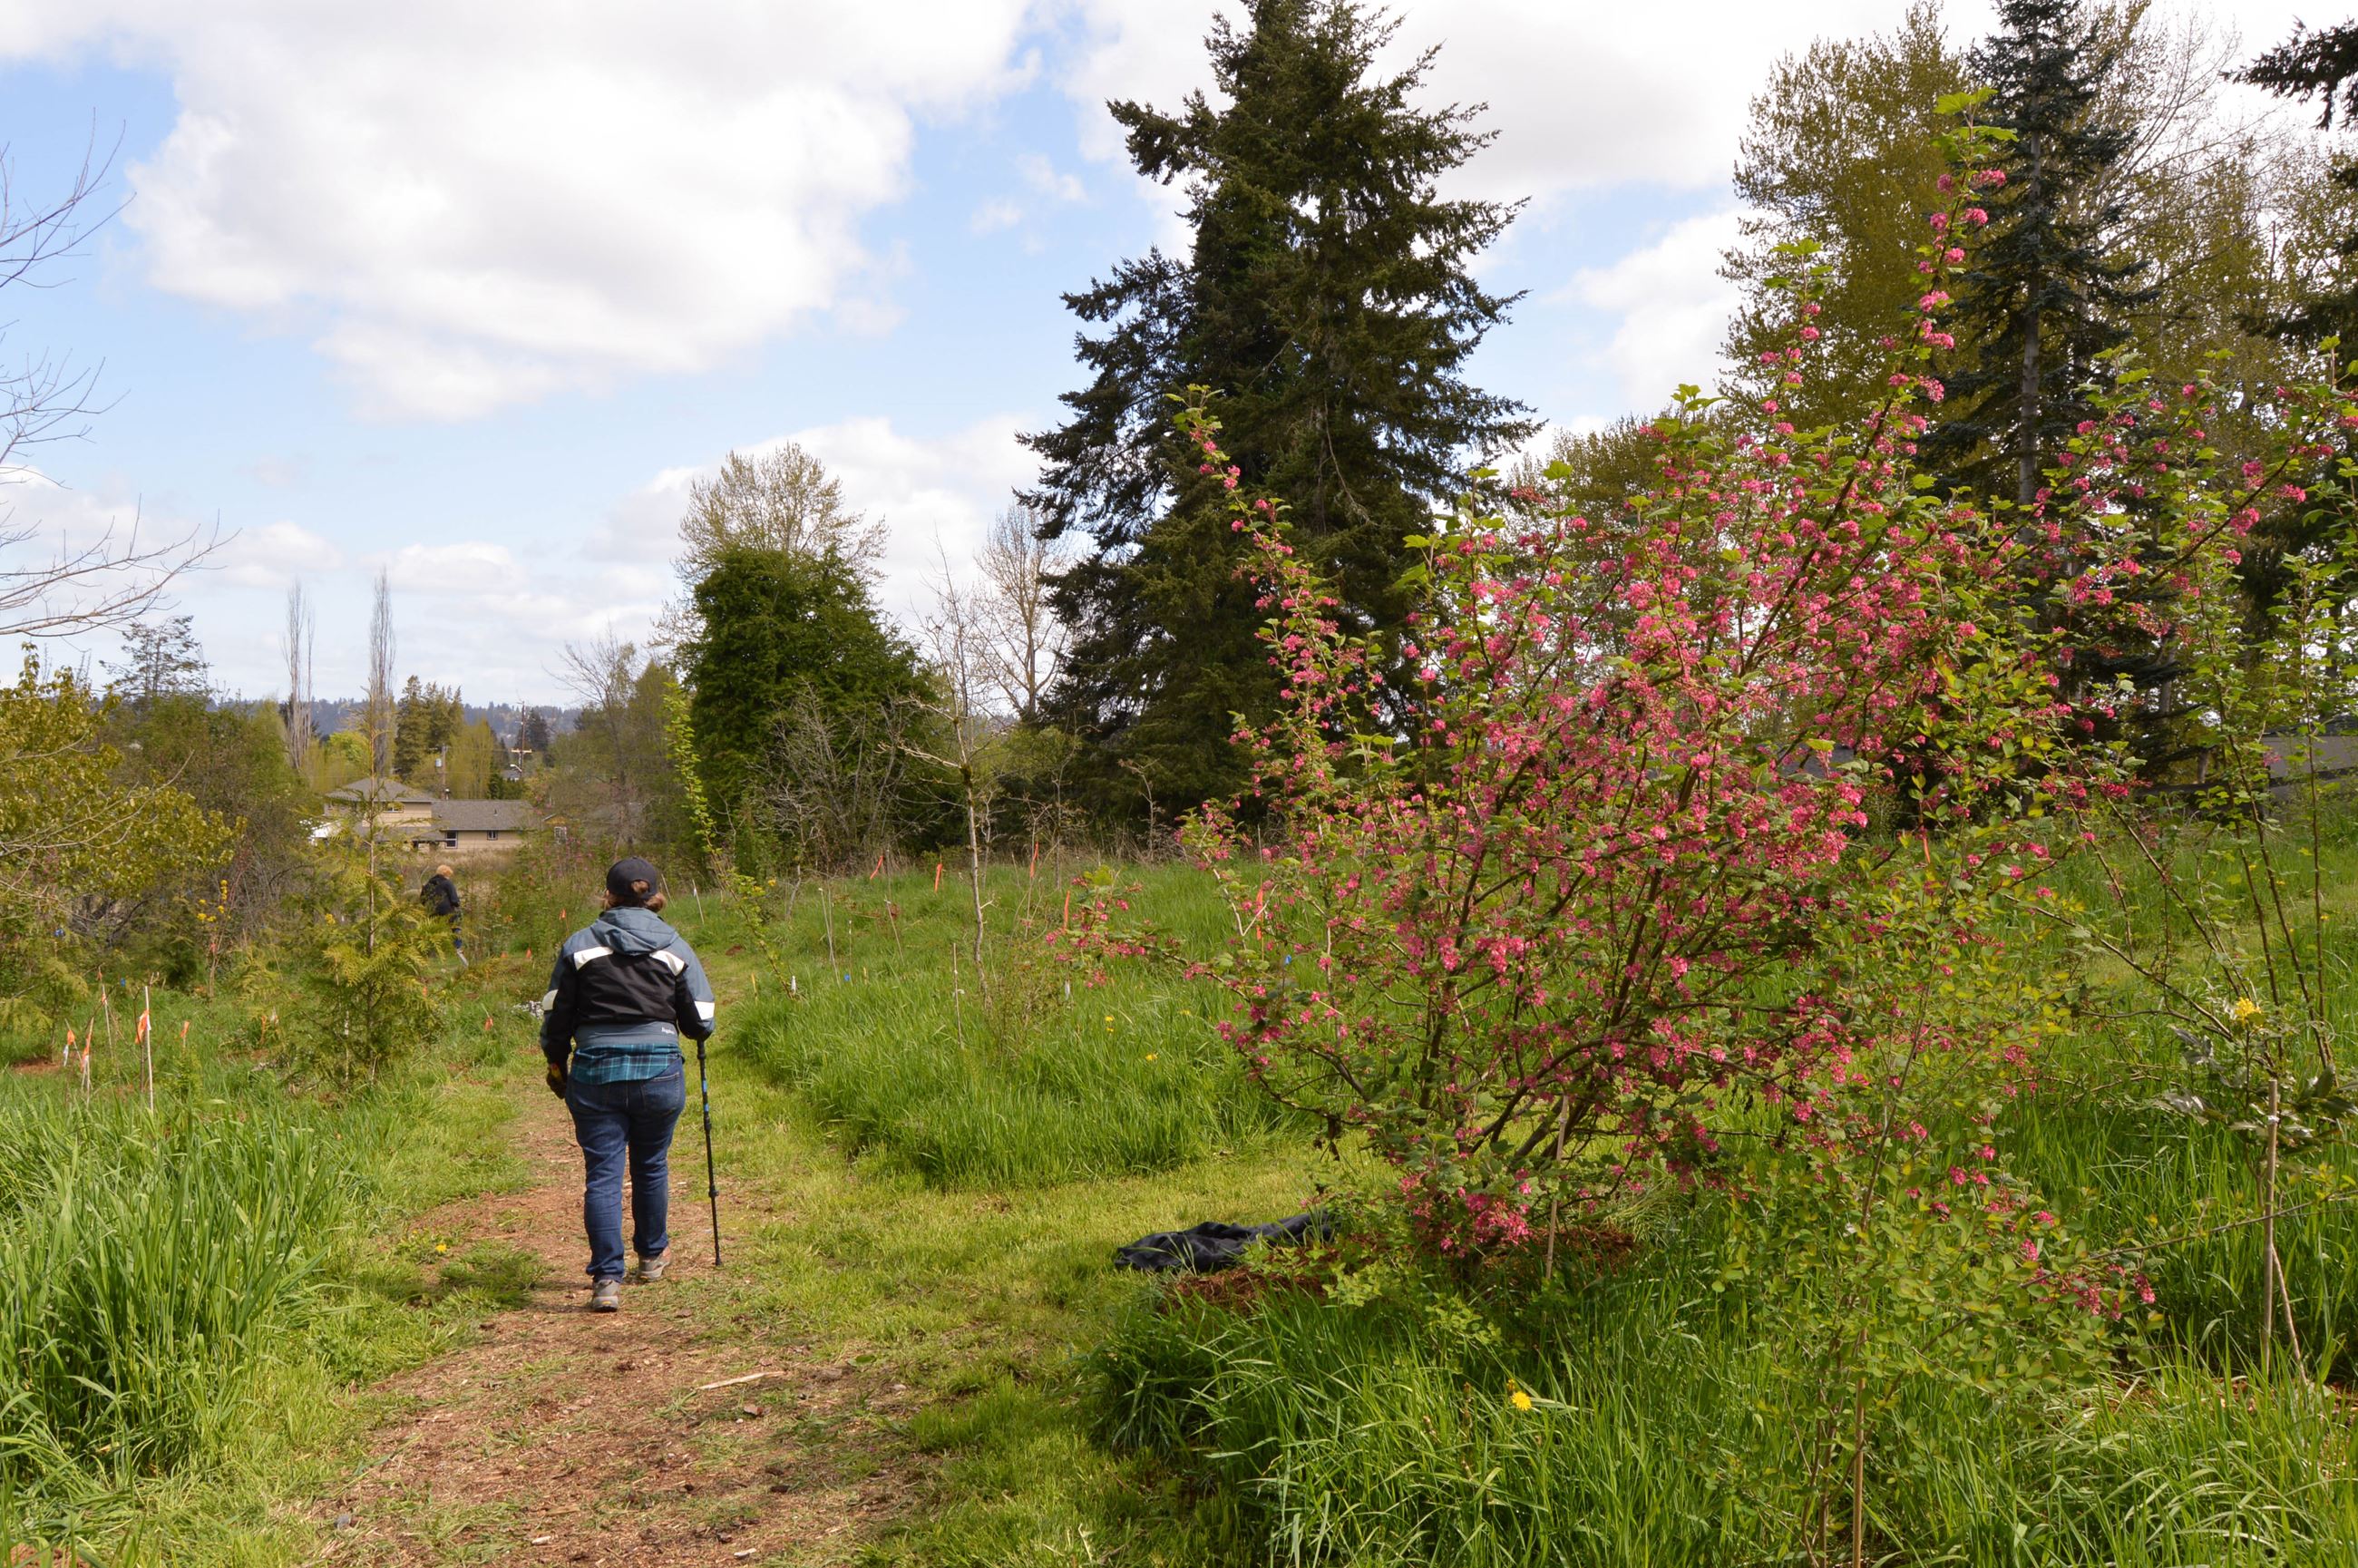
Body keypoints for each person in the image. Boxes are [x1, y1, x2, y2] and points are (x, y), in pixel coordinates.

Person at [537, 856, 717, 1312]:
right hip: (659, 1071)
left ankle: (606, 1280)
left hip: (595, 1072)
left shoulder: (579, 945)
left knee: (603, 1174)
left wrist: (556, 1062)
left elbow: (557, 1015)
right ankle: (652, 1257)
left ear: (609, 895)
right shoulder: (675, 945)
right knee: (651, 1164)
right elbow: (701, 1022)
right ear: (654, 894)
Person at [421, 863, 464, 964]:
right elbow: (454, 899)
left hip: (432, 912)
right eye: (448, 875)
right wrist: (458, 905)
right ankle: (457, 948)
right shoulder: (447, 883)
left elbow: (422, 900)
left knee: (434, 931)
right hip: (447, 911)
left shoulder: (428, 884)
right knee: (456, 927)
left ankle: (432, 951)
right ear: (446, 874)